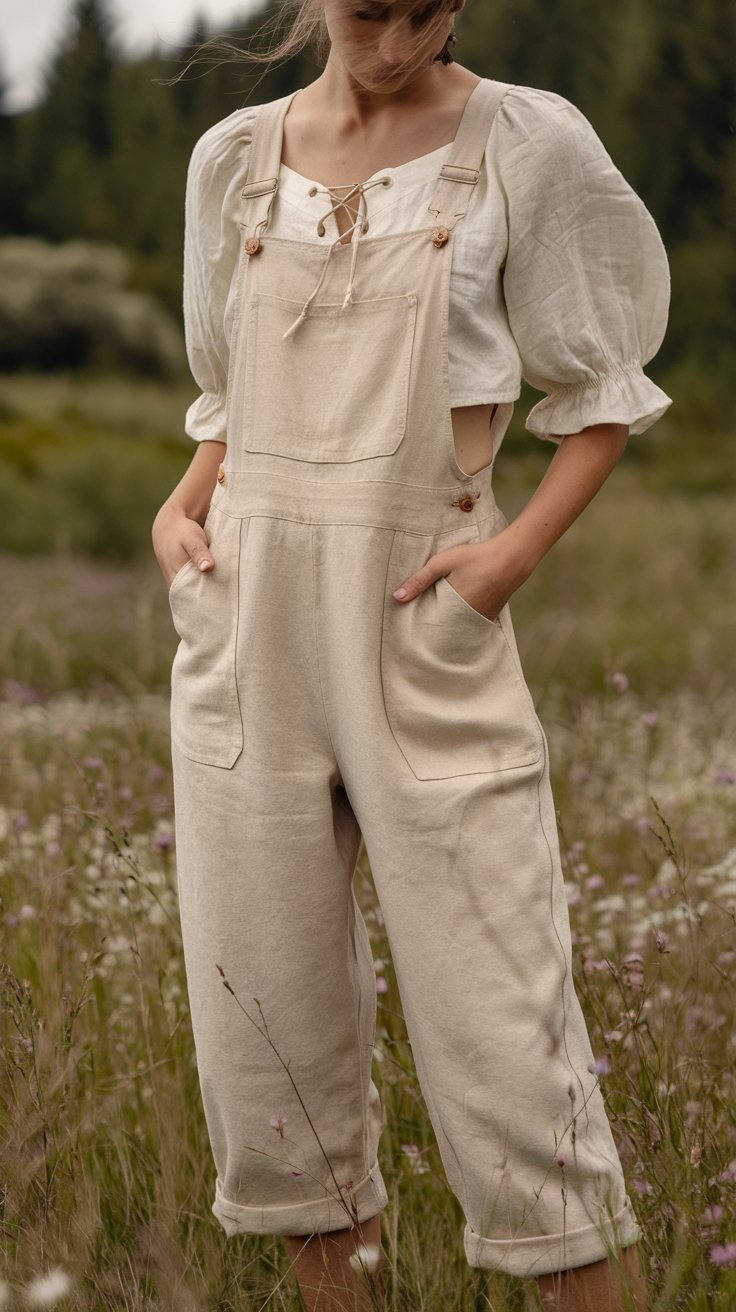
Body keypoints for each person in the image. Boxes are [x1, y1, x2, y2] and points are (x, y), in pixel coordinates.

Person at [152, 2, 671, 1308]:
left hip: (420, 616)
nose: (392, 38)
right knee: (270, 1054)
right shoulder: (234, 158)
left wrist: (509, 559)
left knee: (513, 1051)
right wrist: (183, 504)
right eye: (367, 8)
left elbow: (597, 394)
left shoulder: (525, 146)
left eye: (423, 8)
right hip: (246, 622)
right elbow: (231, 394)